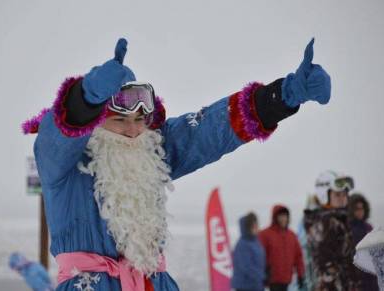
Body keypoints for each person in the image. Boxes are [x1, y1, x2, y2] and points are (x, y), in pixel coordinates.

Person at [22, 37, 331, 291]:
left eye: (140, 120)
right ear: (94, 124)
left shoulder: (152, 151)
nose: (133, 131)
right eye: (119, 120)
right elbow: (55, 137)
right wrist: (84, 99)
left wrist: (281, 97)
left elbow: (211, 130)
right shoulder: (64, 165)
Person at [303, 170, 359, 291]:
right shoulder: (326, 222)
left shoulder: (339, 219)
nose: (343, 198)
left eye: (345, 194)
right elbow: (327, 266)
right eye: (337, 195)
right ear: (324, 195)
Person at [258, 205, 304, 291]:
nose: (283, 219)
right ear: (275, 217)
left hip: (287, 279)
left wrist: (300, 275)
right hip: (271, 280)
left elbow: (298, 257)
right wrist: (263, 272)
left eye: (285, 216)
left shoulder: (292, 236)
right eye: (280, 216)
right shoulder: (265, 234)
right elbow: (258, 256)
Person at [348, 193, 379, 291]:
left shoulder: (368, 227)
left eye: (362, 208)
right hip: (357, 277)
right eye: (357, 209)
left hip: (372, 276)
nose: (360, 211)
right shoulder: (348, 229)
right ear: (351, 210)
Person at [232, 212, 266, 291]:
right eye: (253, 226)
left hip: (256, 284)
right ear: (247, 228)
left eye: (256, 225)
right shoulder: (243, 244)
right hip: (244, 285)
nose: (256, 228)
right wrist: (261, 276)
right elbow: (246, 266)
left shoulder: (256, 242)